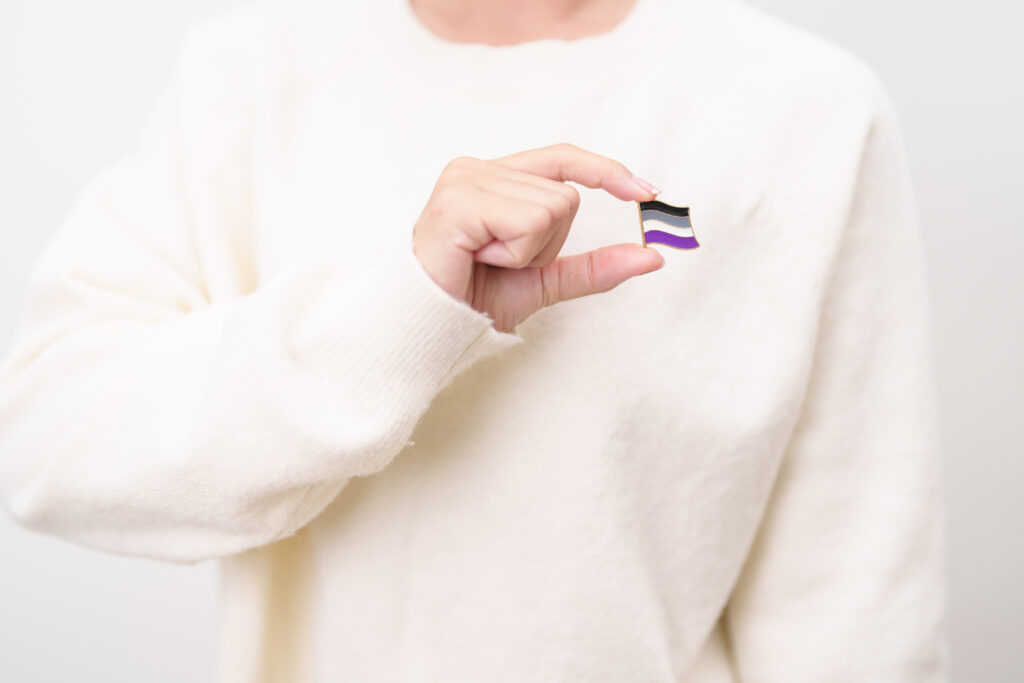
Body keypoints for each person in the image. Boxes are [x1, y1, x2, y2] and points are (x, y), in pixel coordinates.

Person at [0, 0, 948, 680]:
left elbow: (857, 611)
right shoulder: (250, 75)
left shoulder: (806, 109)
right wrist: (405, 313)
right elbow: (44, 438)